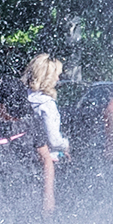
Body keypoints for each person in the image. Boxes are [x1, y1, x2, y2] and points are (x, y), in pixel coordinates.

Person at [20, 52, 69, 214]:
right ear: (47, 76)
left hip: (27, 157)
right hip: (50, 162)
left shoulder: (24, 98)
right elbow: (54, 140)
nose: (58, 80)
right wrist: (66, 145)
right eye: (56, 75)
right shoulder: (46, 104)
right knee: (50, 209)